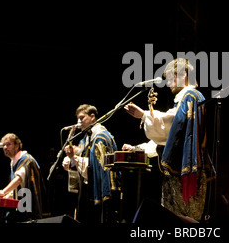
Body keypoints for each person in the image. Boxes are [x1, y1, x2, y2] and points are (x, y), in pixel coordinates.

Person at [123, 58, 208, 221]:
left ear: (182, 75)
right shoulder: (185, 99)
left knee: (181, 220)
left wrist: (144, 115)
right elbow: (171, 137)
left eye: (171, 77)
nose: (168, 83)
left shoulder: (191, 95)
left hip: (184, 173)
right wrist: (137, 149)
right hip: (177, 173)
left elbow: (173, 125)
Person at [62, 104, 118, 223]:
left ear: (92, 117)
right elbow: (83, 153)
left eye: (82, 118)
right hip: (90, 189)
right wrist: (71, 158)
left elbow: (96, 167)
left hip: (100, 192)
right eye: (77, 118)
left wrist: (74, 158)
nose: (78, 121)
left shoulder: (100, 137)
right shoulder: (88, 137)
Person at [0, 133, 45, 221]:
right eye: (3, 145)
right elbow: (15, 190)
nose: (5, 147)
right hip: (20, 207)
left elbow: (18, 179)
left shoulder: (26, 159)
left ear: (17, 145)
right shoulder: (13, 163)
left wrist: (2, 192)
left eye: (8, 144)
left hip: (28, 208)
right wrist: (2, 197)